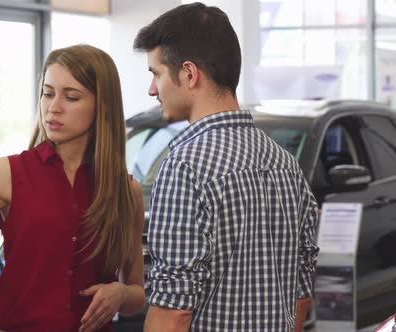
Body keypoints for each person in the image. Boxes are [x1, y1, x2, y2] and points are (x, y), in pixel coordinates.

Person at [133, 3, 319, 332]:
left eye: (156, 73)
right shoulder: (285, 164)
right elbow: (301, 297)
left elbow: (173, 312)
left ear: (189, 74)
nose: (151, 89)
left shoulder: (185, 165)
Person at [0, 44, 145, 332]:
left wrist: (120, 293)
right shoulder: (5, 174)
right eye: (48, 93)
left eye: (71, 97)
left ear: (102, 105)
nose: (53, 108)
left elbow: (136, 292)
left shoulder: (126, 190)